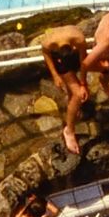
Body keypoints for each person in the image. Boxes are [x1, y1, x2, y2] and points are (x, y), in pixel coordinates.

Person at [41, 22, 92, 154]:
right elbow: (46, 55)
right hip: (60, 61)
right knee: (79, 95)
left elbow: (84, 61)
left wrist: (83, 83)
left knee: (77, 92)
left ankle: (72, 107)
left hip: (74, 55)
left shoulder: (79, 39)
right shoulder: (49, 43)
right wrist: (55, 75)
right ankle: (69, 130)